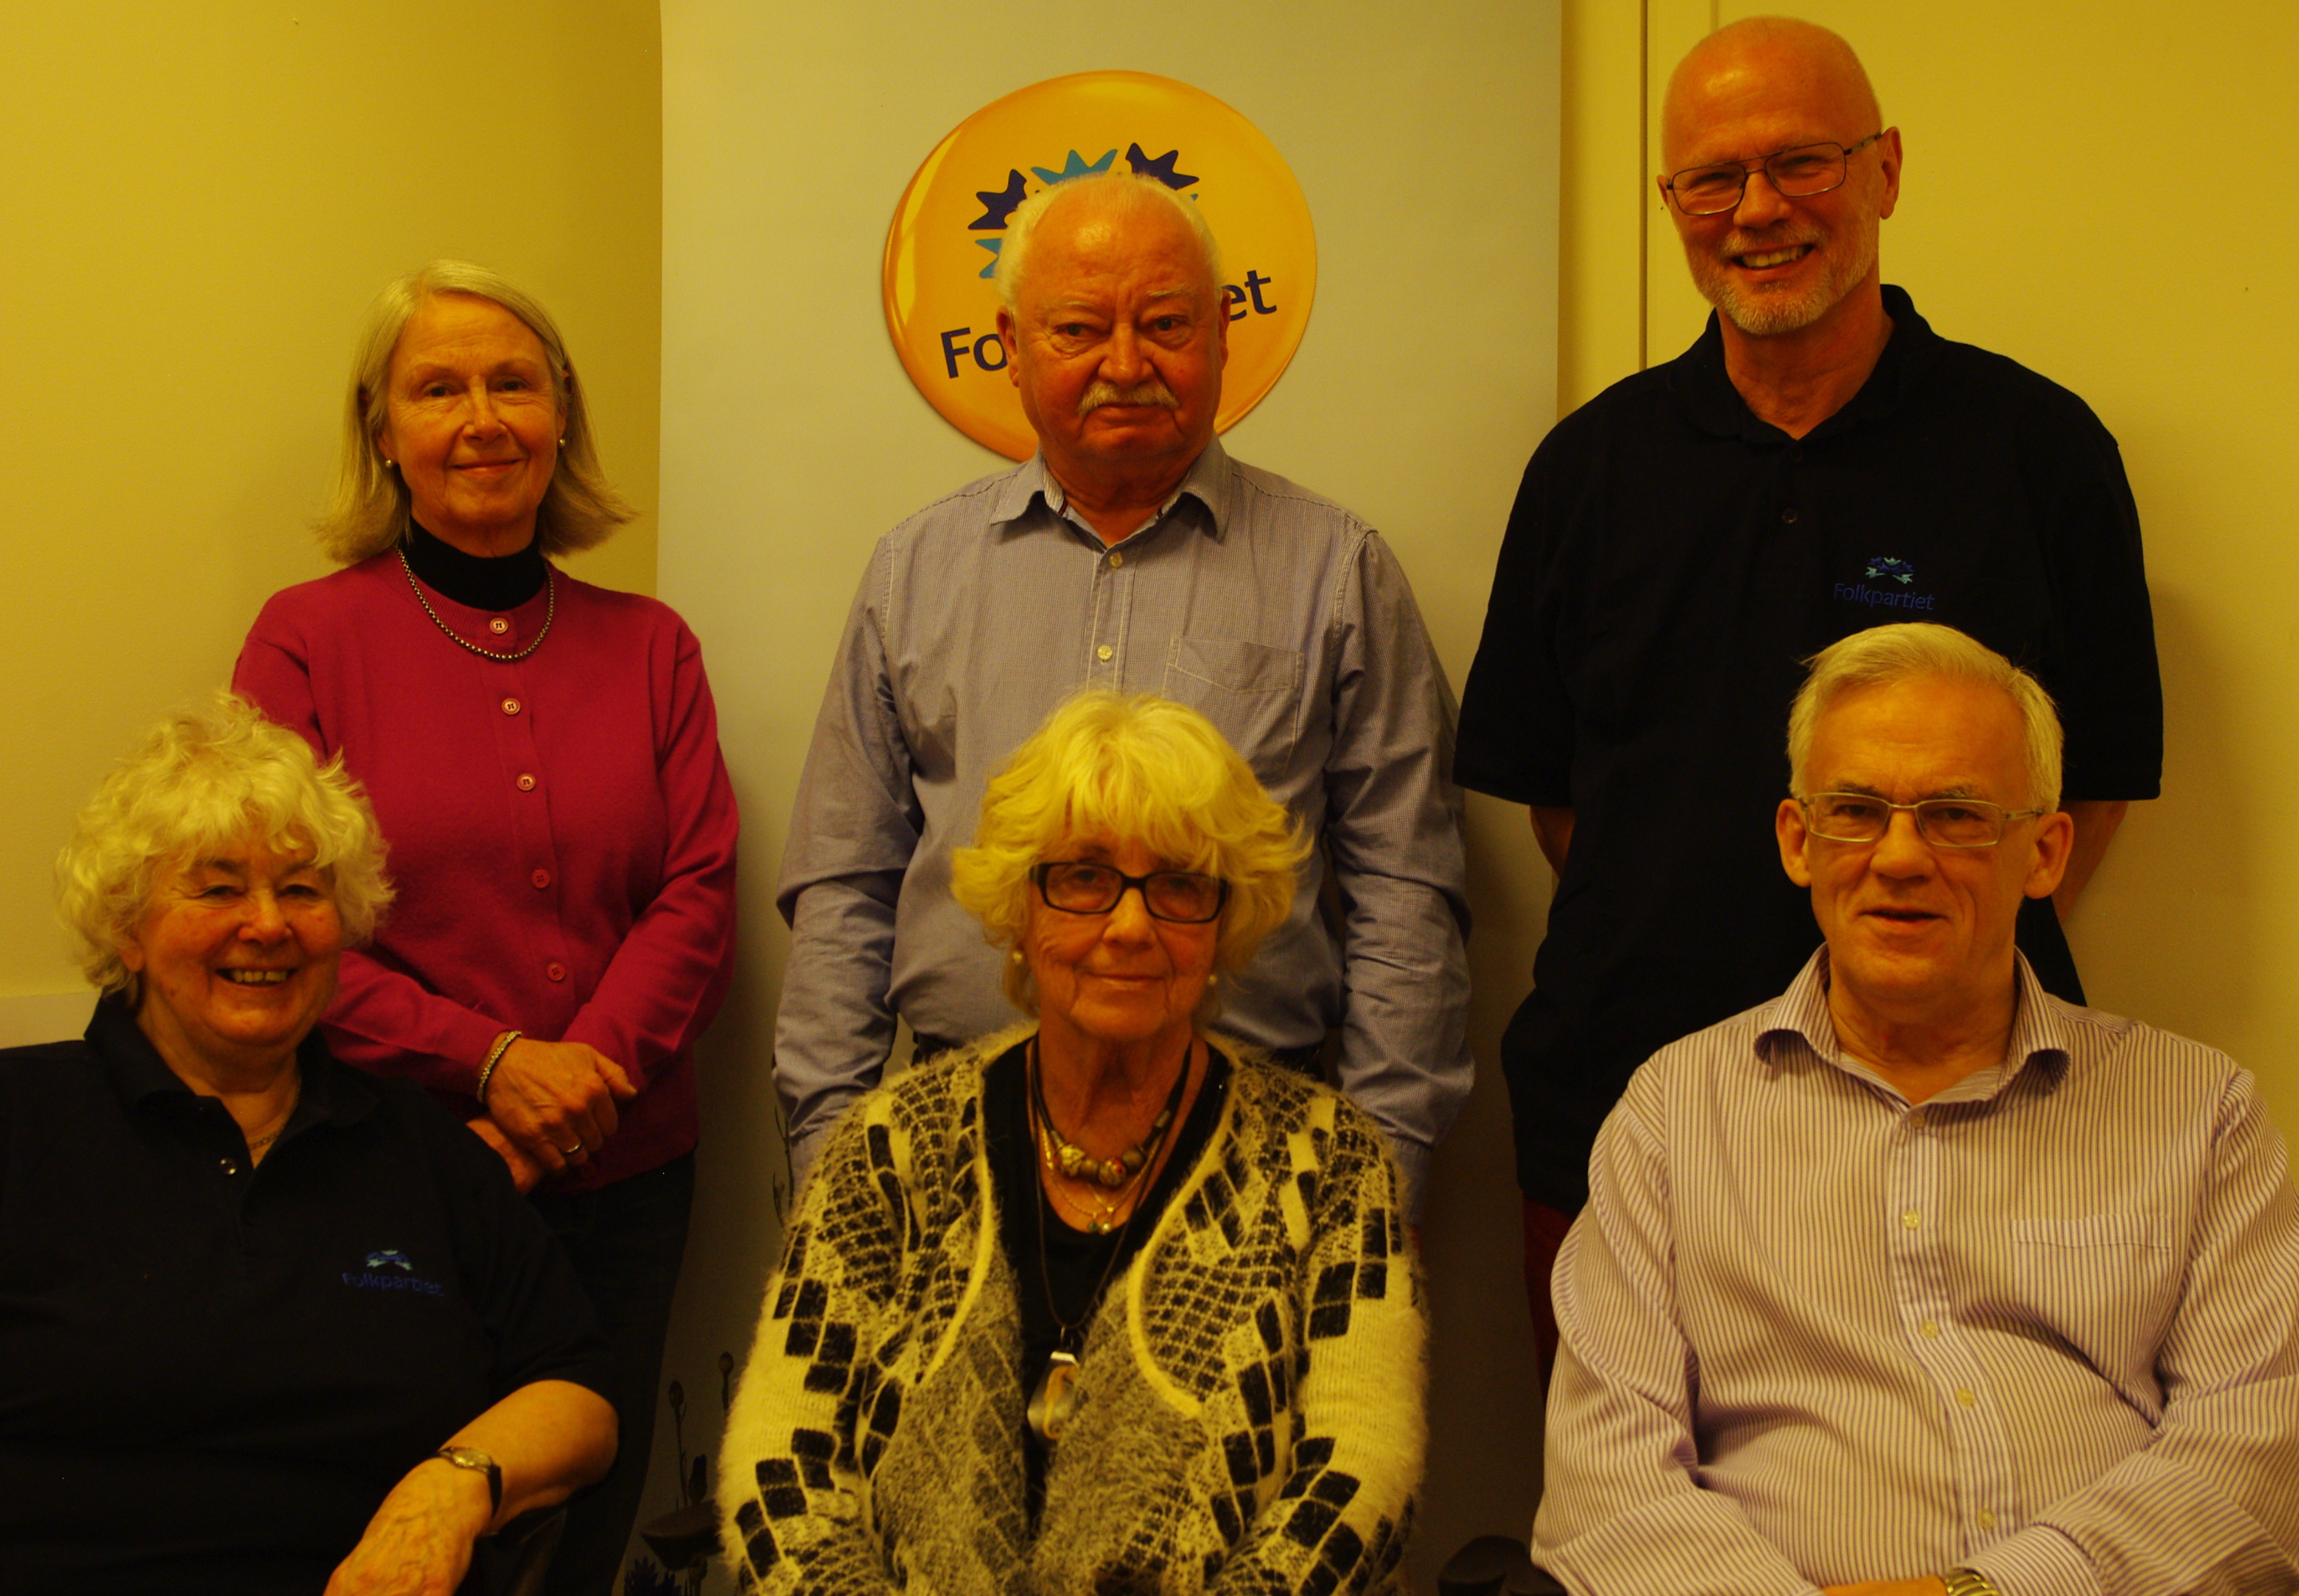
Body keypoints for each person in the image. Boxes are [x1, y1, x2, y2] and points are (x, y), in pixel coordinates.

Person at [1455, 16, 2164, 1377]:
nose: (1757, 209)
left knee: (1935, 1500)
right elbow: (1560, 804)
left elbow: (2089, 789)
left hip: (1959, 1122)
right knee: (1627, 1534)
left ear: (1885, 170)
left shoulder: (2037, 454)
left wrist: (1909, 974)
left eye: (1801, 163)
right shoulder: (1587, 471)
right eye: (1711, 180)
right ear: (1670, 206)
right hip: (1614, 1106)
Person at [1533, 624, 2299, 1595]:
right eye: (1855, 810)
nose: (1899, 855)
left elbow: (2257, 1472)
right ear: (1797, 841)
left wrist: (1985, 1592)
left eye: (1954, 813)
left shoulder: (2196, 1111)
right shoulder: (1672, 1113)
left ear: (2042, 851)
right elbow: (1606, 1494)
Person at [775, 170, 1470, 1218]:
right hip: (952, 1154)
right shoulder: (913, 574)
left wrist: (1367, 1198)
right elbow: (844, 890)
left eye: (1165, 324)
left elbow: (1407, 903)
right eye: (1080, 329)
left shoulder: (1338, 572)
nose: (1127, 364)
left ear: (1225, 335)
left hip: (1255, 1161)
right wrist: (840, 1181)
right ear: (1011, 346)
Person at [232, 260, 741, 1593]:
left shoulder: (651, 647)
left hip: (627, 1165)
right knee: (405, 1520)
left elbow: (696, 886)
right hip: (398, 1162)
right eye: (437, 389)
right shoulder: (302, 641)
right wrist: (501, 1072)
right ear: (383, 431)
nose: (480, 418)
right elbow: (281, 923)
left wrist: (580, 1079)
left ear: (560, 416)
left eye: (511, 382)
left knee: (591, 1507)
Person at [721, 690, 1424, 1594]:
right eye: (1085, 876)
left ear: (1223, 919)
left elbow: (1356, 1482)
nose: (1130, 925)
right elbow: (777, 1474)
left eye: (1177, 882)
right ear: (1020, 904)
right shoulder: (889, 1152)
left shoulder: (1329, 1168)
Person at [2, 695, 616, 1594]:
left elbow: (579, 1385)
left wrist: (451, 1489)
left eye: (301, 887)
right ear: (127, 929)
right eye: (217, 886)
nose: (268, 924)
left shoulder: (421, 1149)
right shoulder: (21, 1120)